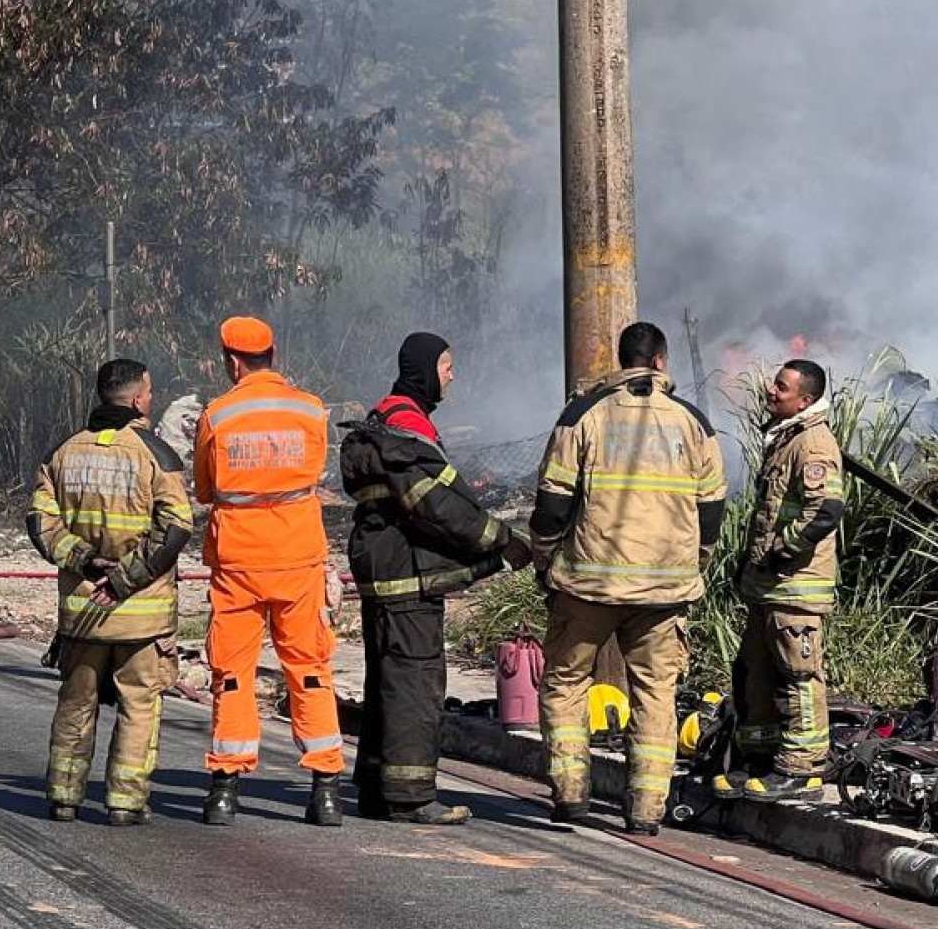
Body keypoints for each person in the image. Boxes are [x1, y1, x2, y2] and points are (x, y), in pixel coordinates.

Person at [529, 322, 725, 834]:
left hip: (588, 586)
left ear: (621, 361)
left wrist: (545, 560)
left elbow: (552, 504)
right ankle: (645, 809)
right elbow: (713, 510)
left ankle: (571, 793)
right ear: (661, 361)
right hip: (665, 591)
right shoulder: (693, 422)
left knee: (567, 681)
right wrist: (696, 561)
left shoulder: (583, 415)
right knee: (656, 693)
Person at [341, 333, 531, 824]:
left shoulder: (385, 420)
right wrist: (500, 540)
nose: (452, 375)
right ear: (426, 369)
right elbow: (438, 507)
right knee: (415, 682)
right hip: (408, 580)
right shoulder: (407, 428)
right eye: (446, 366)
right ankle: (410, 797)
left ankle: (378, 788)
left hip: (386, 577)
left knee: (387, 679)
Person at [27, 358, 192, 826]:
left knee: (76, 702)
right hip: (142, 615)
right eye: (151, 392)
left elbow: (41, 521)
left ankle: (63, 795)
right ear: (139, 398)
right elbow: (177, 526)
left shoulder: (62, 452)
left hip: (81, 612)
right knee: (139, 705)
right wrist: (125, 579)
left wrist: (82, 559)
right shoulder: (156, 454)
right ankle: (125, 802)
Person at [192, 316, 343, 827]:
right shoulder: (311, 410)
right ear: (272, 355)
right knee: (309, 668)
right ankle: (325, 790)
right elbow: (315, 475)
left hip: (238, 560)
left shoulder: (218, 415)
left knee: (232, 673)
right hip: (298, 555)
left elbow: (206, 490)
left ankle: (224, 792)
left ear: (232, 361)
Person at [718, 358, 844, 802]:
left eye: (782, 387)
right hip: (767, 586)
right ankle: (759, 759)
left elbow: (825, 510)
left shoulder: (812, 443)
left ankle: (802, 769)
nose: (772, 391)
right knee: (755, 670)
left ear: (805, 399)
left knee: (799, 675)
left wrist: (779, 550)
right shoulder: (784, 439)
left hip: (795, 587)